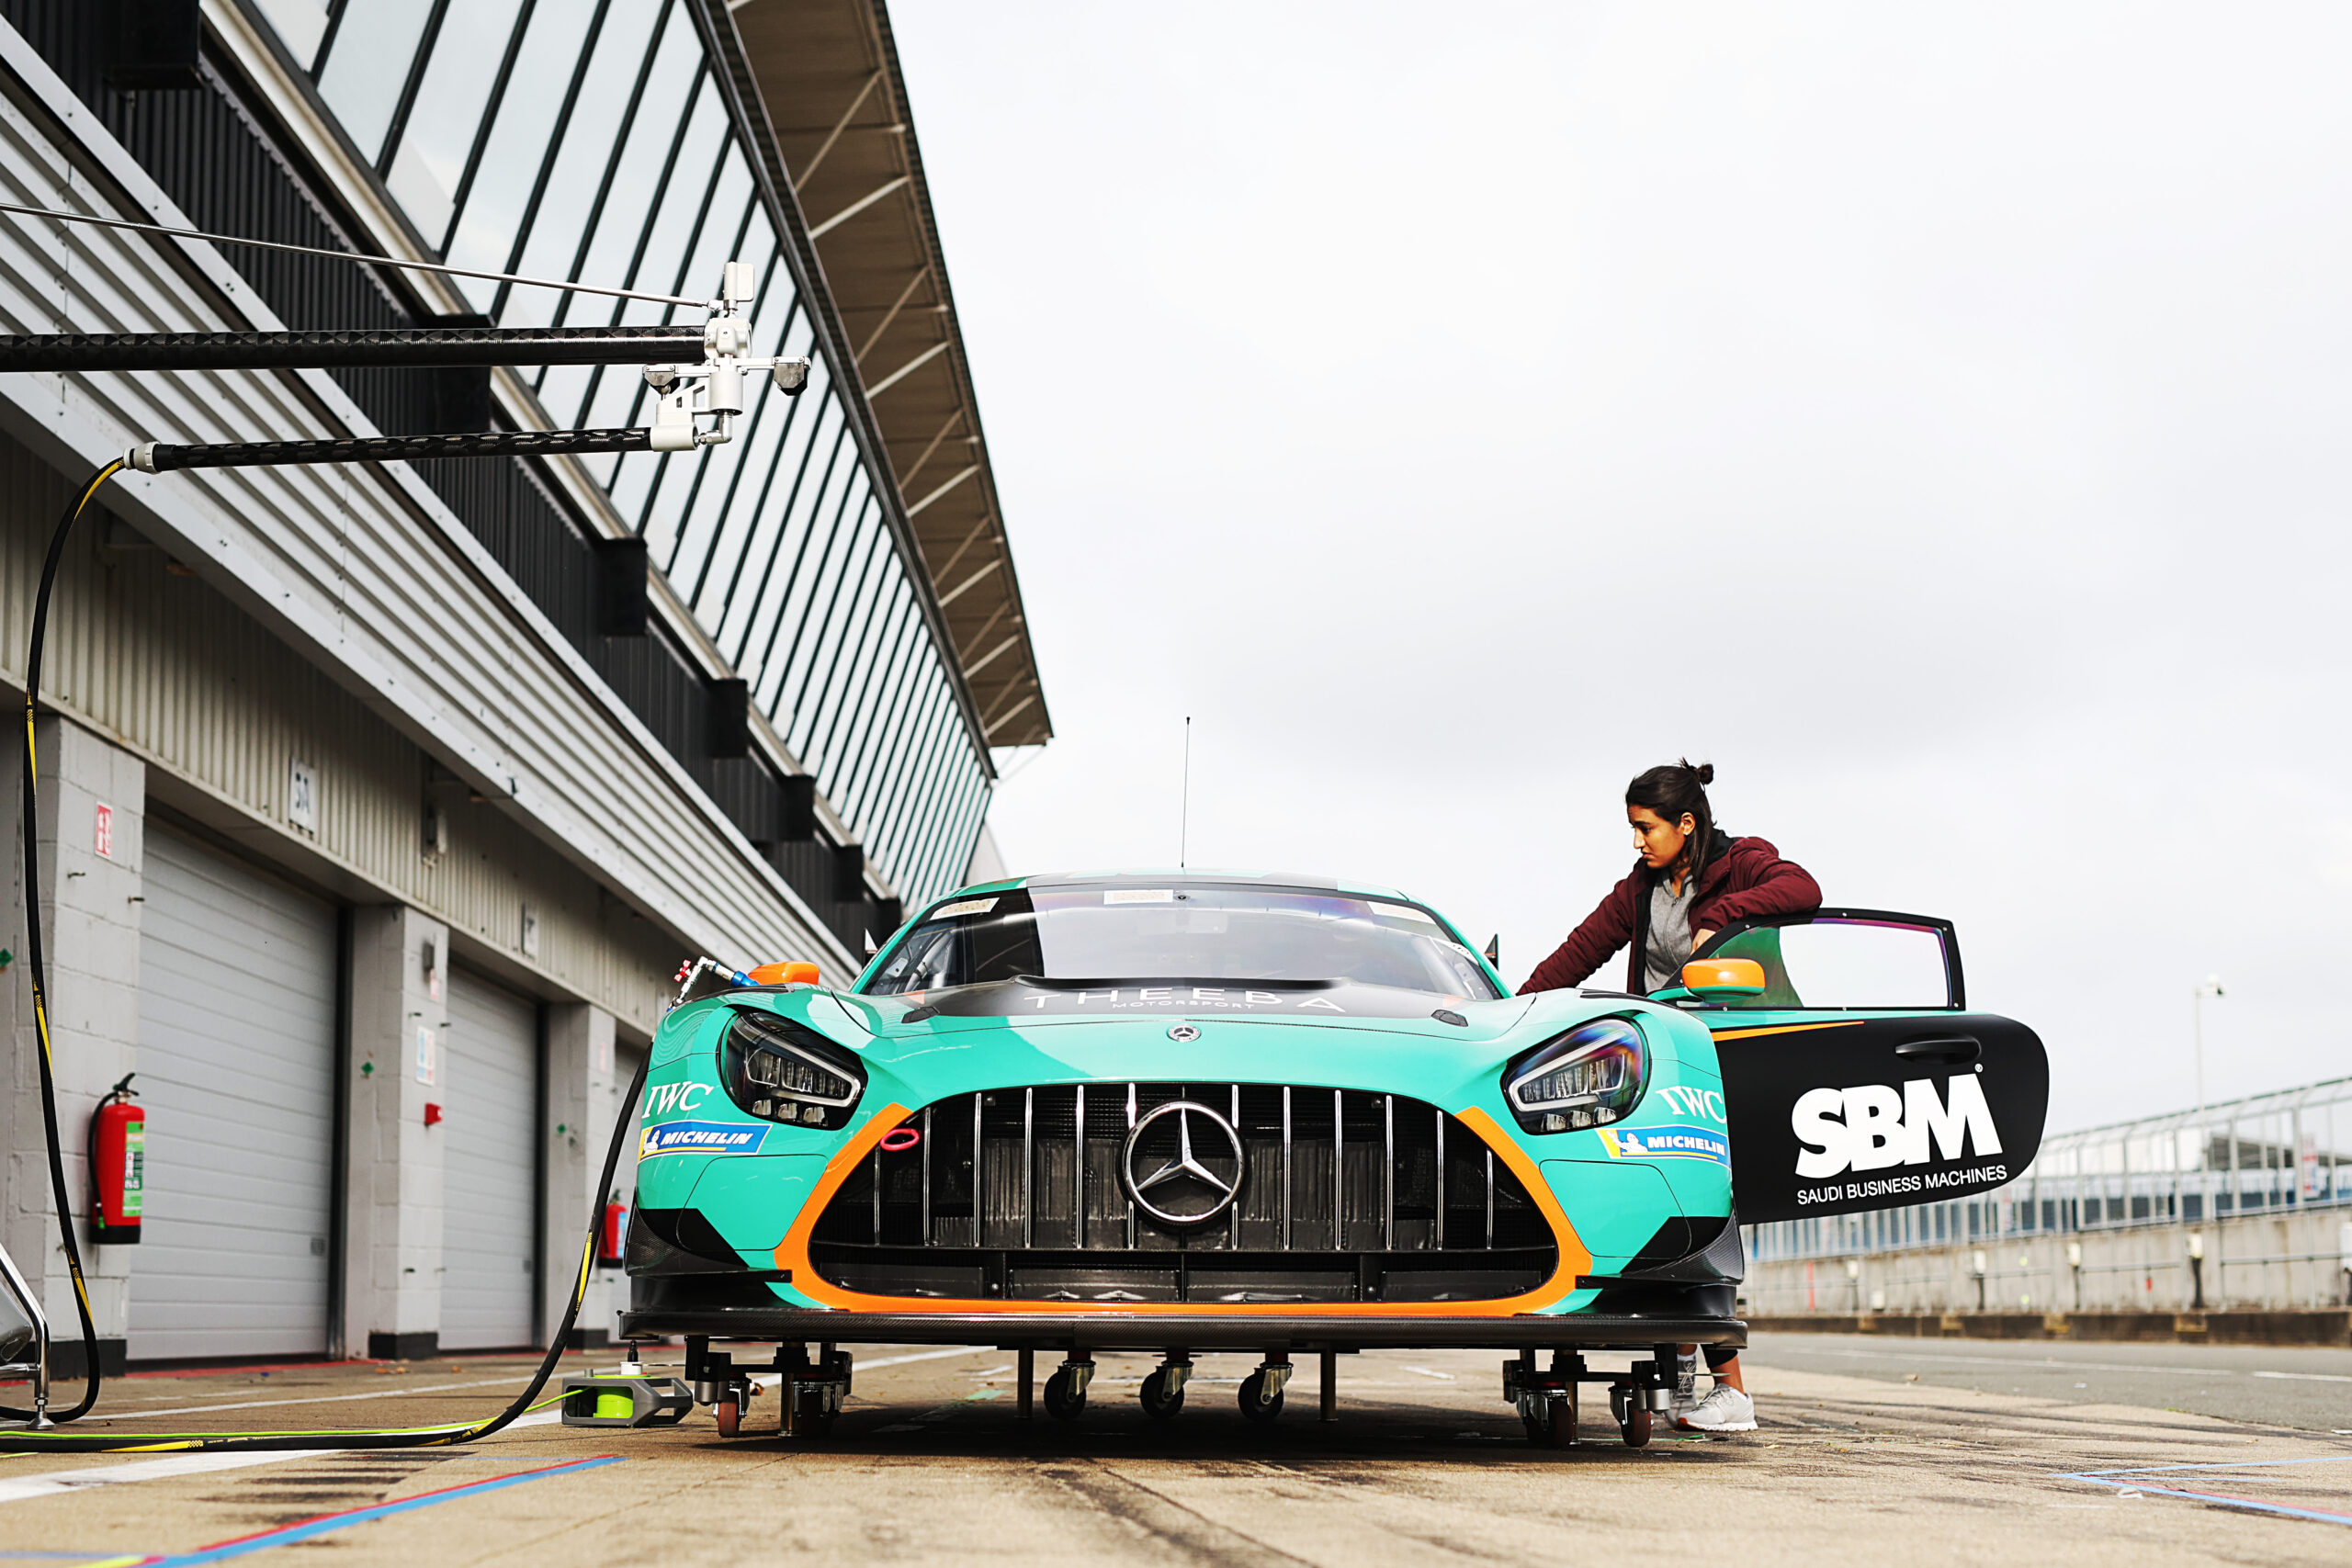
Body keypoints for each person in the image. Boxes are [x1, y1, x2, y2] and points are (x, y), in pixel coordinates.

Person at [1520, 759, 1822, 1436]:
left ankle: (1729, 1391)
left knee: (1703, 1215)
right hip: (1667, 1067)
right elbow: (1580, 951)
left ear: (1686, 824)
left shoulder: (1743, 862)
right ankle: (1692, 1383)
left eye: (1646, 827)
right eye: (1632, 828)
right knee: (1666, 1215)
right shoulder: (1641, 887)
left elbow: (1804, 888)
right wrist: (1512, 1010)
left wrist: (1725, 914)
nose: (1637, 841)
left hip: (1734, 1058)